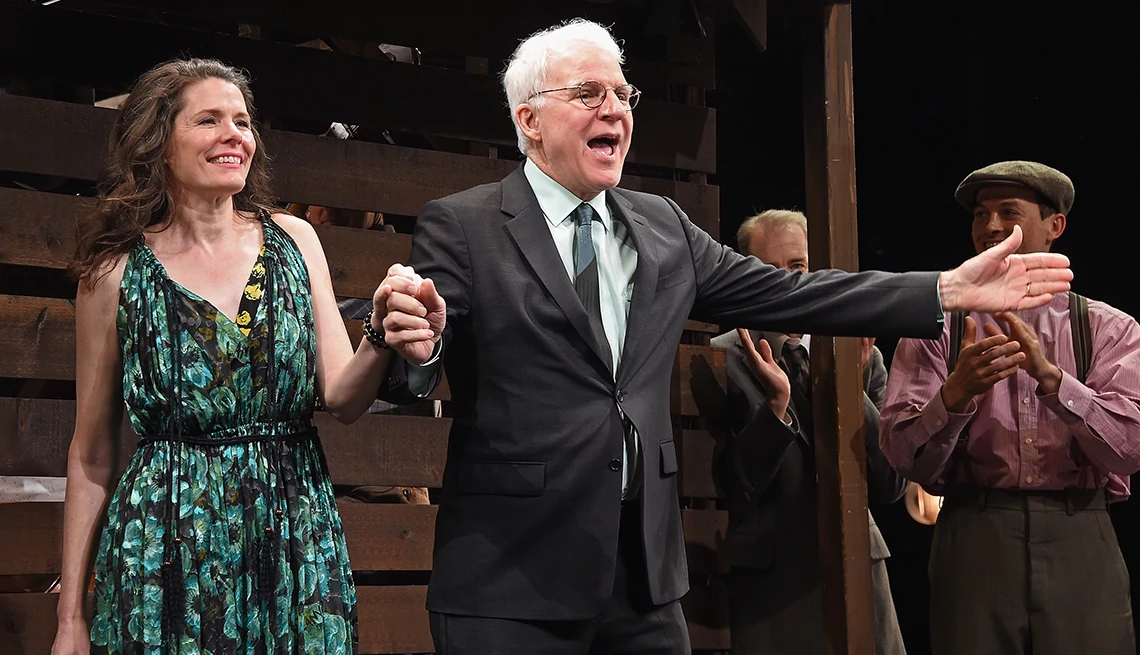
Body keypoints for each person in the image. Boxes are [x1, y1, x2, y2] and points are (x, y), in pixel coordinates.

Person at [371, 20, 1072, 654]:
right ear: (529, 119)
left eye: (623, 92)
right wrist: (417, 345)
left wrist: (942, 290)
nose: (615, 108)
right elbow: (418, 358)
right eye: (589, 93)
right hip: (511, 580)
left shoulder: (662, 226)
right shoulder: (464, 225)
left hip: (643, 583)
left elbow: (795, 292)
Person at [52, 58, 432, 654]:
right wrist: (70, 618)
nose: (235, 135)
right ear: (158, 144)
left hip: (292, 533)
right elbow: (93, 453)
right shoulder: (115, 274)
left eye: (243, 121)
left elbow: (342, 396)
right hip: (167, 548)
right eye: (209, 120)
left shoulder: (294, 241)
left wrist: (379, 333)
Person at [880, 161, 1140, 655]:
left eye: (1008, 212)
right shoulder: (939, 326)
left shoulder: (1108, 328)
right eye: (981, 214)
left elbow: (1129, 449)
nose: (991, 226)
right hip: (976, 532)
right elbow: (900, 457)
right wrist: (952, 398)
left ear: (1054, 225)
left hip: (1078, 531)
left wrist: (1053, 381)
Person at [711, 209, 907, 655]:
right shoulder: (720, 359)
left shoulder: (861, 354)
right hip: (771, 591)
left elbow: (891, 484)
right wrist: (776, 408)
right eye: (768, 270)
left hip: (858, 575)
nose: (786, 281)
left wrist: (848, 388)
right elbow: (733, 489)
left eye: (797, 267)